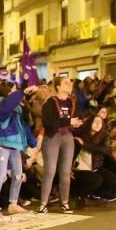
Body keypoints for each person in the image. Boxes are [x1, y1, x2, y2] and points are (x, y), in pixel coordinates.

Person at [0, 81, 37, 217]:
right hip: (3, 143)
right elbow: (5, 110)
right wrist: (22, 92)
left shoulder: (16, 106)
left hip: (15, 145)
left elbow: (22, 125)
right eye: (14, 90)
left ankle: (13, 203)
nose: (16, 93)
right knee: (0, 175)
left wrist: (32, 141)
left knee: (18, 175)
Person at [38, 76, 83, 213]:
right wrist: (68, 121)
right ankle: (43, 202)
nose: (69, 84)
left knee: (65, 171)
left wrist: (75, 123)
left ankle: (65, 202)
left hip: (67, 136)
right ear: (57, 87)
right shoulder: (50, 103)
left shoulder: (72, 102)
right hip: (52, 137)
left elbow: (77, 119)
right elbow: (49, 123)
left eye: (70, 82)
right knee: (50, 170)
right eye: (66, 82)